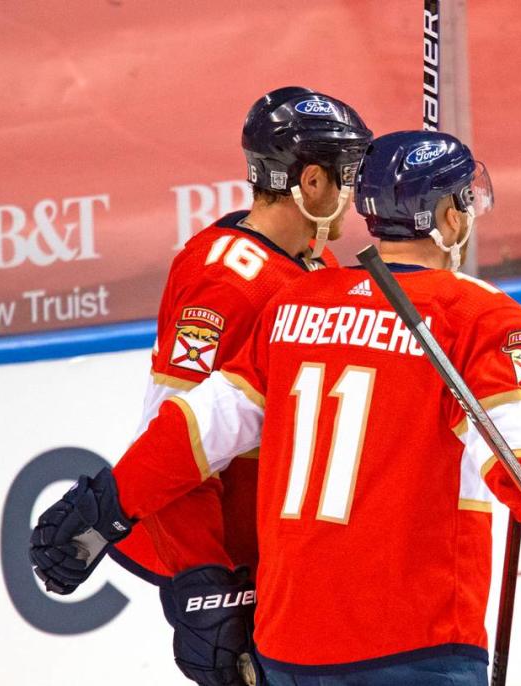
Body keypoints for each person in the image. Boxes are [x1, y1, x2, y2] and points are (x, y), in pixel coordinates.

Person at [30, 130, 521, 685]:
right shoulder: (474, 313)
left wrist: (103, 503)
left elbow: (198, 429)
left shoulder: (298, 302)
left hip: (285, 643)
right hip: (414, 642)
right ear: (448, 217)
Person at [108, 85, 372, 686]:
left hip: (290, 563)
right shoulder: (223, 277)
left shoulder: (319, 265)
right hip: (239, 570)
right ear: (310, 182)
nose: (354, 192)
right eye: (348, 173)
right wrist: (201, 579)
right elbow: (175, 435)